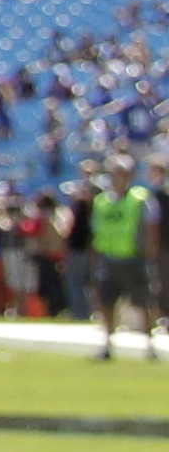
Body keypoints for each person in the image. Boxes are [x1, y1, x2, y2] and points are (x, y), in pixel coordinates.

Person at [90, 154, 157, 362]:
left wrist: (148, 254)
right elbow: (96, 230)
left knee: (143, 303)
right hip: (109, 258)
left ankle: (150, 345)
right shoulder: (102, 201)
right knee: (107, 304)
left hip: (133, 257)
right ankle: (107, 345)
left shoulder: (139, 198)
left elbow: (151, 227)